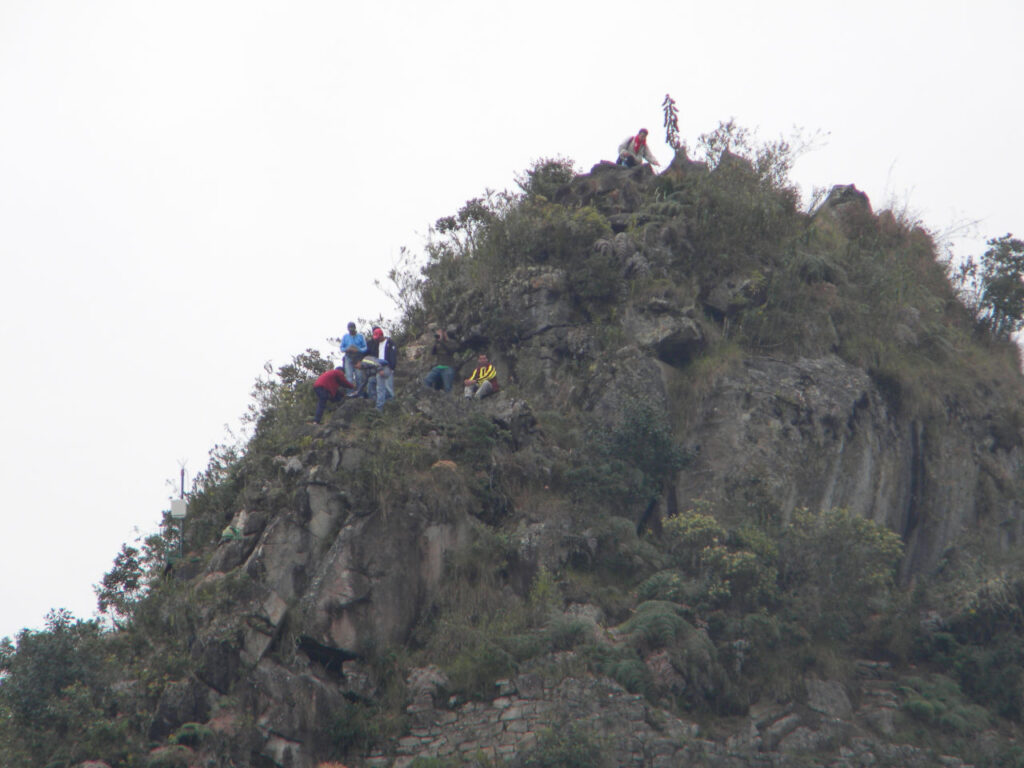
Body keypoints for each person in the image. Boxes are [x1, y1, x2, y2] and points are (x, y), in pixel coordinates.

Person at [424, 326, 460, 393]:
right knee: (427, 380)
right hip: (438, 366)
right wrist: (436, 341)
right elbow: (433, 352)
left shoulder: (452, 342)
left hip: (448, 367)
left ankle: (449, 401)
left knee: (448, 387)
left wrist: (441, 342)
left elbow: (450, 351)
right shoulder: (438, 343)